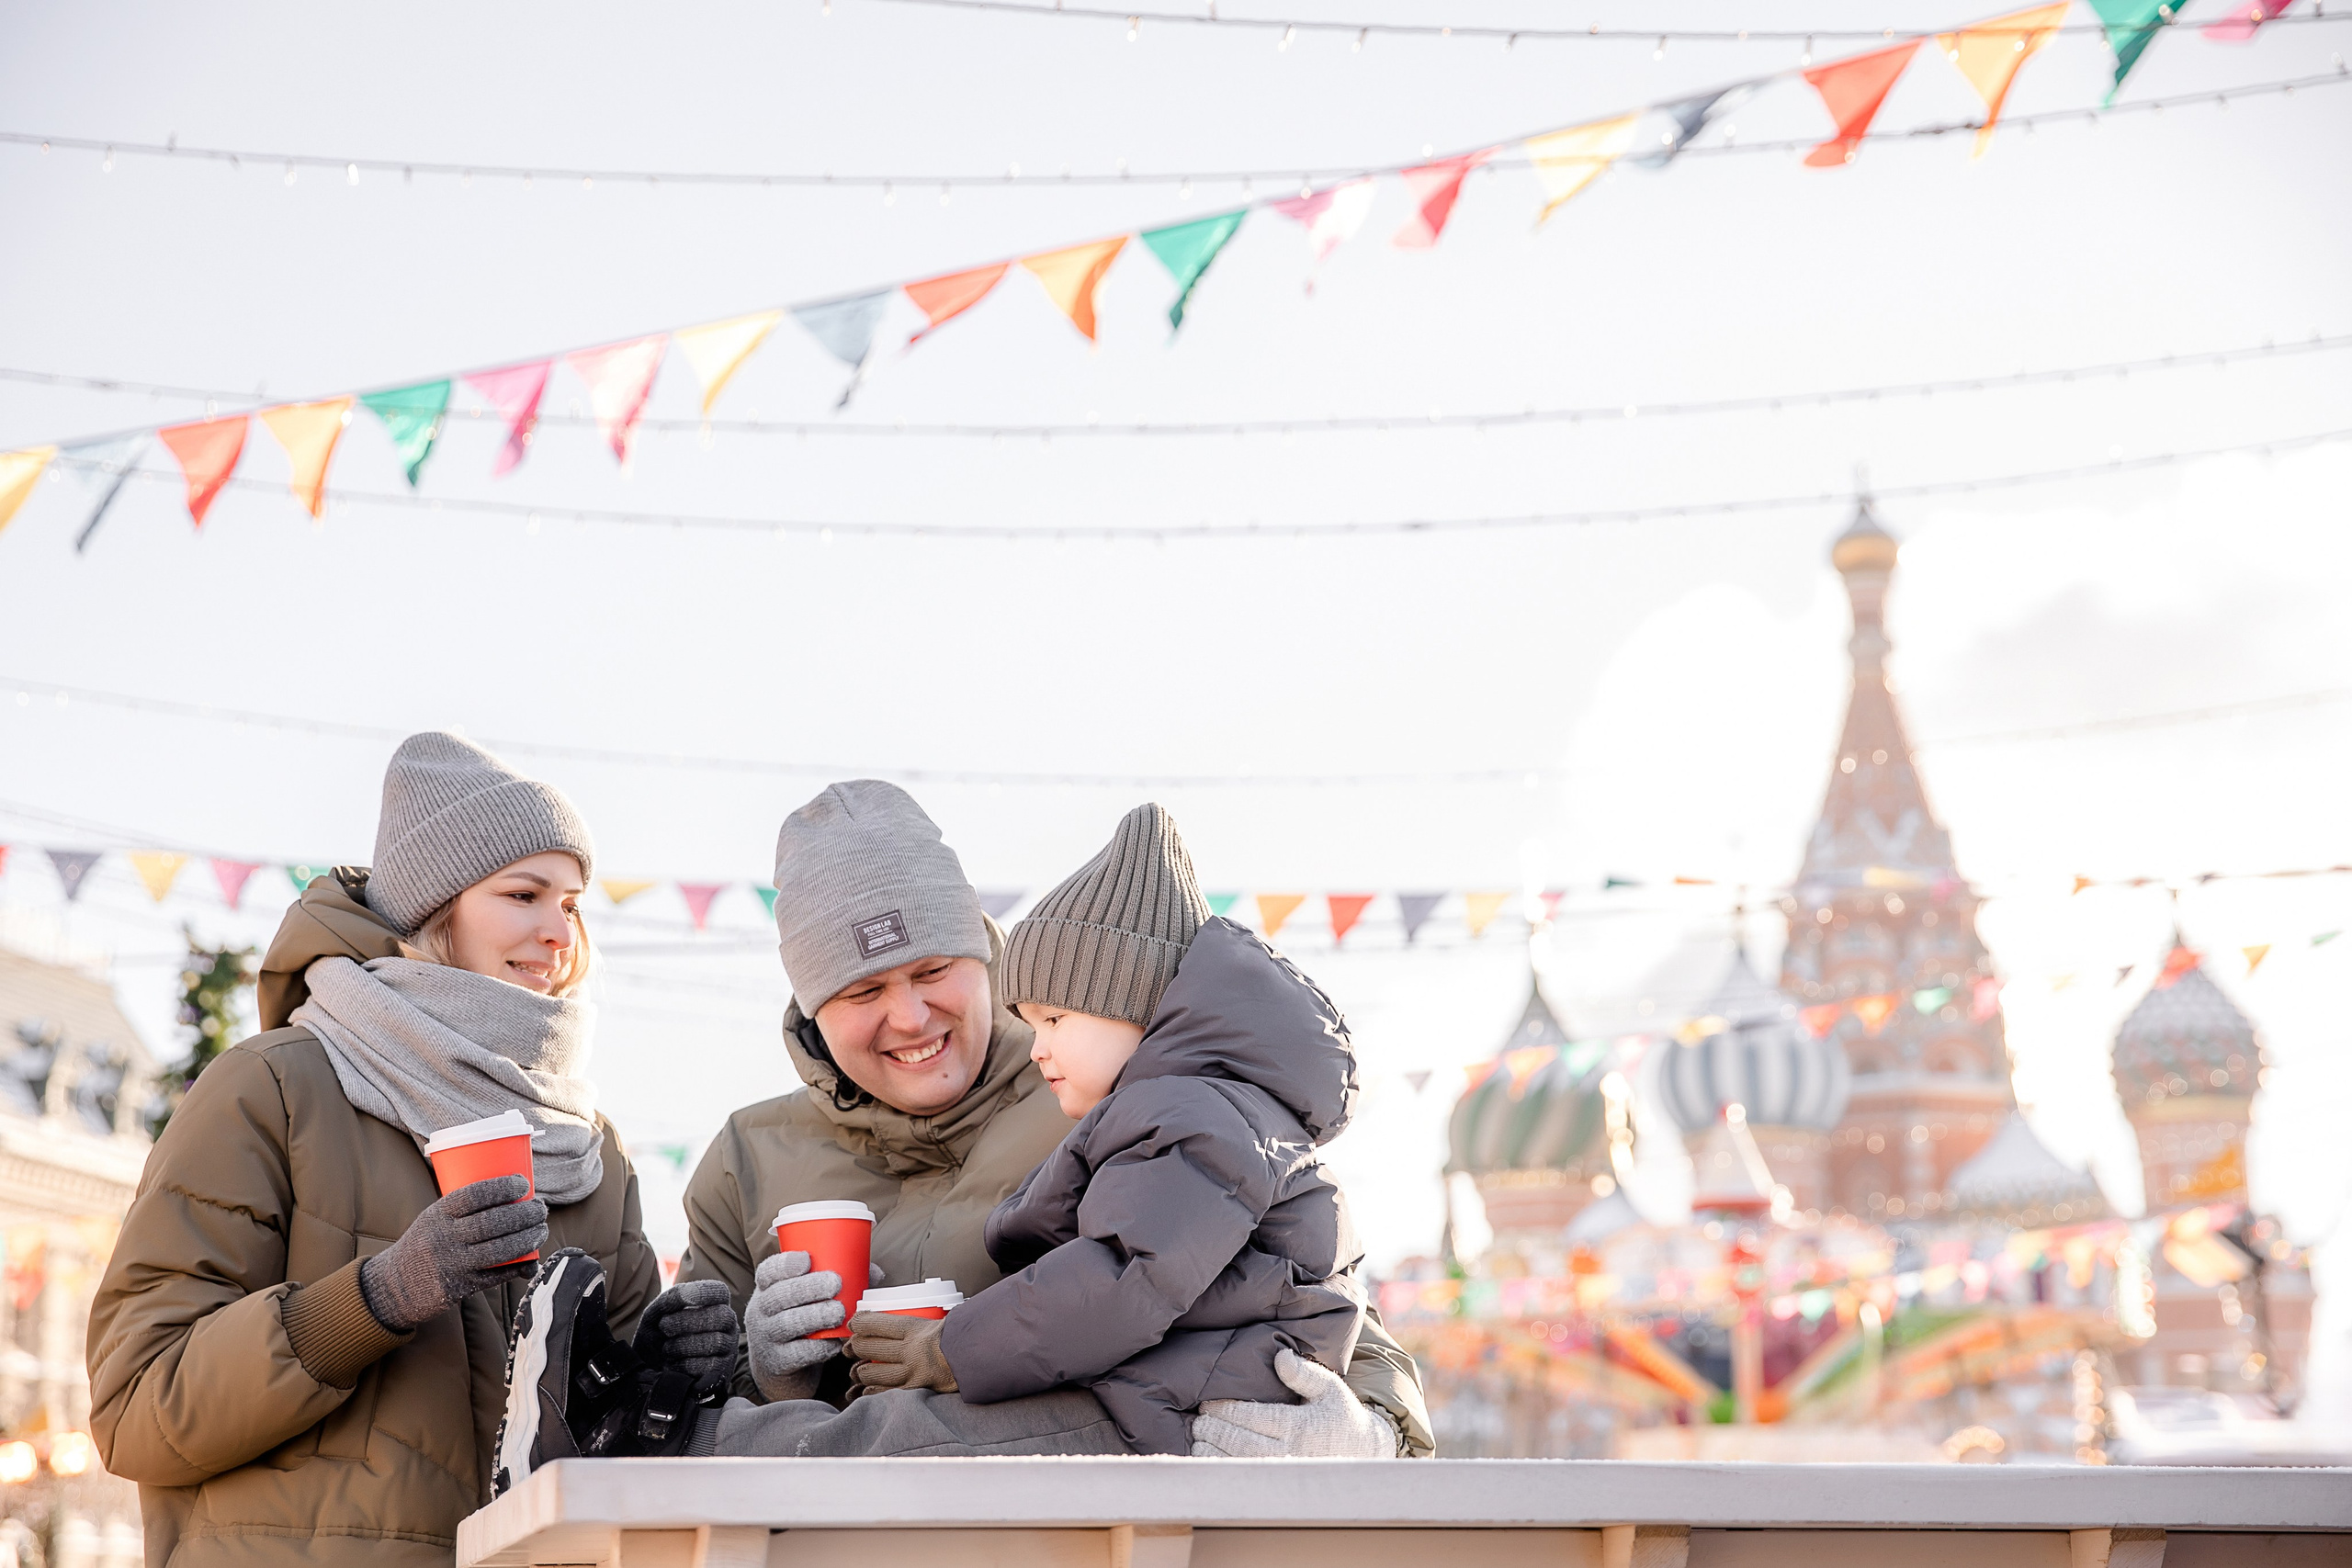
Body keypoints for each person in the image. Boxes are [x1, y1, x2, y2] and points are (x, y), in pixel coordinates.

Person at [494, 781, 1429, 1477]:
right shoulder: (747, 1160)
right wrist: (757, 1364)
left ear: (987, 959)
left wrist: (1371, 1431)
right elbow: (707, 1412)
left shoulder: (1108, 1087)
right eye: (863, 991)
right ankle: (580, 1432)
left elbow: (1308, 1299)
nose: (910, 1018)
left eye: (934, 970)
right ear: (814, 1011)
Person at [86, 734, 732, 1568]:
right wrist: (379, 1296)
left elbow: (613, 1444)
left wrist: (664, 1363)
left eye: (571, 904)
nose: (556, 932)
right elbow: (137, 1406)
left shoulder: (586, 1137)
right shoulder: (274, 1089)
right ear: (439, 908)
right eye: (524, 894)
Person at [851, 803, 1373, 1455]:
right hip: (1172, 1389)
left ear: (1136, 1005)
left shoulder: (1195, 1118)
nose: (1037, 1047)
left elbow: (1123, 1279)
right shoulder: (1188, 1109)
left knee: (904, 1446)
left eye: (1055, 1019)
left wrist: (954, 1349)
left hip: (1196, 1413)